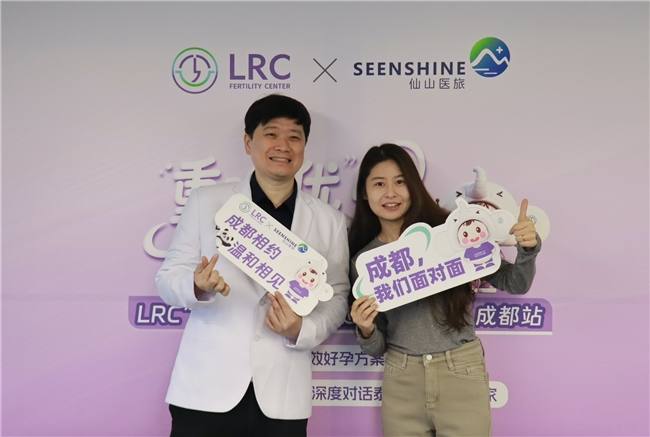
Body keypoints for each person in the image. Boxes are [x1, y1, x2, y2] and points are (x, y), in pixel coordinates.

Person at [156, 94, 350, 437]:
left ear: (304, 146)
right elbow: (168, 278)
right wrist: (197, 285)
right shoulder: (206, 202)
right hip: (206, 389)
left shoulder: (328, 220)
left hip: (282, 393)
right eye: (271, 134)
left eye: (294, 136)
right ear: (248, 143)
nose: (283, 146)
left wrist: (301, 329)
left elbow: (336, 296)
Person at [349, 143, 541, 437]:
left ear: (413, 186)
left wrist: (527, 249)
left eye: (400, 182)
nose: (390, 192)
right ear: (364, 192)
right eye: (379, 184)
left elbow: (516, 283)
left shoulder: (451, 232)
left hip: (460, 370)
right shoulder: (366, 262)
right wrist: (365, 330)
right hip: (402, 379)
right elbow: (377, 347)